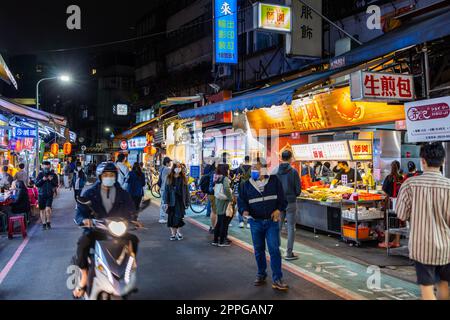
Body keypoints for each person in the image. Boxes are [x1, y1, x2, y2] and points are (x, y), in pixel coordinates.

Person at [72, 162, 139, 298]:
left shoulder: (123, 193)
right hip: (97, 230)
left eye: (112, 175)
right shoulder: (90, 192)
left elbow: (131, 210)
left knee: (134, 240)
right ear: (100, 176)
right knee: (83, 243)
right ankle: (84, 275)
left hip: (118, 230)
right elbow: (80, 211)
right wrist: (84, 220)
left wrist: (133, 219)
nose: (109, 177)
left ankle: (128, 268)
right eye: (106, 175)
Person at [396, 142, 450, 300]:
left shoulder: (410, 185)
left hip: (422, 248)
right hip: (446, 247)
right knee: (444, 285)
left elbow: (401, 214)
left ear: (423, 161)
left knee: (427, 289)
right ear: (443, 162)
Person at [239, 158, 289, 291]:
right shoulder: (246, 184)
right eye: (253, 168)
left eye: (257, 168)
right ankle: (261, 274)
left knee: (274, 250)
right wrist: (244, 211)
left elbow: (283, 200)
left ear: (264, 169)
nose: (254, 170)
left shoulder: (274, 181)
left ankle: (277, 278)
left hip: (272, 222)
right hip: (255, 222)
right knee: (258, 250)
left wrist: (279, 210)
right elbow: (242, 201)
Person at [275, 150, 301, 261]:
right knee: (291, 228)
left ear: (281, 158)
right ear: (290, 158)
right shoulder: (294, 172)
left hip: (279, 203)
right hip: (290, 202)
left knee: (278, 228)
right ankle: (289, 253)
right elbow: (298, 190)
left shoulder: (275, 171)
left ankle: (276, 251)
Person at [161, 162, 190, 241]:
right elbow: (166, 191)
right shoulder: (169, 177)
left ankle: (178, 232)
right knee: (171, 218)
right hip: (171, 201)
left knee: (180, 217)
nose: (178, 168)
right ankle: (173, 234)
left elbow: (186, 191)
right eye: (177, 167)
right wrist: (165, 201)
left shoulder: (183, 178)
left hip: (180, 201)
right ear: (173, 168)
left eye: (179, 167)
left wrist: (187, 201)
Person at [379, 160, 404, 249]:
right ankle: (397, 242)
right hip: (399, 202)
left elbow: (384, 190)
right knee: (397, 221)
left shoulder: (389, 177)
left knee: (387, 221)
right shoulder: (401, 178)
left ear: (391, 167)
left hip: (390, 202)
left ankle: (386, 242)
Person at [212, 164, 233, 247]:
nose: (229, 170)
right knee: (224, 222)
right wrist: (230, 198)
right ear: (225, 170)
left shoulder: (217, 177)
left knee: (219, 221)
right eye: (228, 169)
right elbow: (227, 189)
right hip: (224, 201)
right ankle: (222, 241)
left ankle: (215, 240)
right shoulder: (225, 178)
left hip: (218, 200)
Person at [35, 161, 58, 230]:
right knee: (42, 210)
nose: (46, 168)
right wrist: (42, 179)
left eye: (48, 167)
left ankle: (48, 221)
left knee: (48, 209)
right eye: (45, 166)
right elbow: (36, 184)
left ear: (50, 167)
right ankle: (44, 224)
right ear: (42, 166)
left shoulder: (53, 175)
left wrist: (51, 180)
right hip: (41, 195)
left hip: (49, 194)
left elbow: (56, 184)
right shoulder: (40, 175)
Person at [235, 156, 252, 228]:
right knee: (250, 205)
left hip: (241, 188)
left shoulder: (240, 168)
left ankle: (241, 222)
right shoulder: (252, 167)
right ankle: (248, 223)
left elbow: (237, 178)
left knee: (240, 204)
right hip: (250, 187)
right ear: (249, 160)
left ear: (244, 160)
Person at [158, 157, 172, 224]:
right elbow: (174, 173)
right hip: (164, 188)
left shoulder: (162, 168)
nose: (170, 163)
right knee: (164, 203)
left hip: (162, 188)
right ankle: (161, 218)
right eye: (170, 162)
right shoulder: (167, 169)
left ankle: (164, 216)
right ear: (167, 162)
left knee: (164, 203)